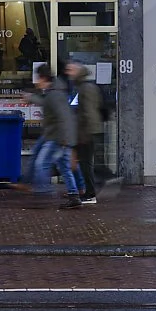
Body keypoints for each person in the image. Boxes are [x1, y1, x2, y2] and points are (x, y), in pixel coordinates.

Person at [27, 63, 83, 208]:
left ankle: (42, 191)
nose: (36, 82)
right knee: (64, 166)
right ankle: (74, 196)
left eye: (38, 79)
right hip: (61, 136)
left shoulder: (54, 94)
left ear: (43, 78)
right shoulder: (54, 92)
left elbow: (63, 117)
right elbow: (47, 104)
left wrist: (65, 140)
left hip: (58, 137)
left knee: (42, 162)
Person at [67, 61, 106, 204]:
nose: (69, 73)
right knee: (84, 163)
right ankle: (86, 191)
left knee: (85, 164)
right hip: (88, 131)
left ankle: (90, 193)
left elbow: (88, 113)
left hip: (88, 132)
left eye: (71, 70)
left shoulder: (85, 88)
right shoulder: (84, 87)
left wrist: (84, 135)